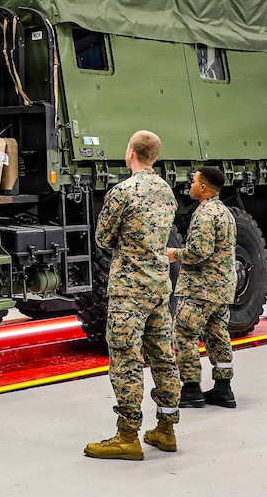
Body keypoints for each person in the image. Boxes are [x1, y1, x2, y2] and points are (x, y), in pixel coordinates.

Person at [84, 130, 181, 461]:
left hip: (129, 291)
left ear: (130, 154)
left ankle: (128, 437)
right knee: (162, 357)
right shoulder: (166, 192)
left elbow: (102, 238)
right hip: (159, 288)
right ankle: (166, 429)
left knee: (126, 359)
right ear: (155, 156)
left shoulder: (122, 192)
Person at [168, 165, 238, 409]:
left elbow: (199, 252)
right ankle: (223, 388)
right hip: (221, 289)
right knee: (218, 335)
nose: (191, 185)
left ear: (204, 187)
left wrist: (173, 253)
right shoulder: (225, 212)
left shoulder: (205, 214)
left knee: (185, 334)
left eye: (194, 181)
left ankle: (190, 389)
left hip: (200, 289)